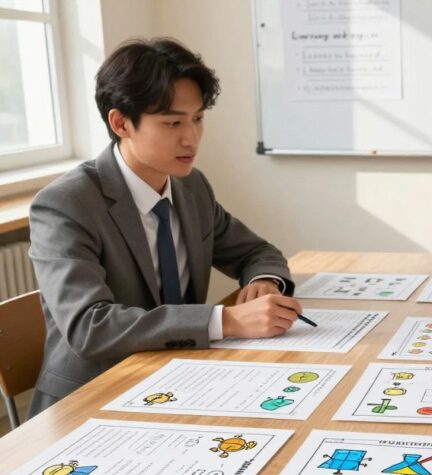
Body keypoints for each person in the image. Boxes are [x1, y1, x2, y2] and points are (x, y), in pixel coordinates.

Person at [28, 38, 305, 416]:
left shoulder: (191, 186)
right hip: (94, 398)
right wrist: (225, 320)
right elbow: (90, 327)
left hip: (178, 381)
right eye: (173, 122)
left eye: (198, 118)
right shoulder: (66, 204)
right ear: (120, 122)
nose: (191, 138)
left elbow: (257, 252)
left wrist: (264, 282)